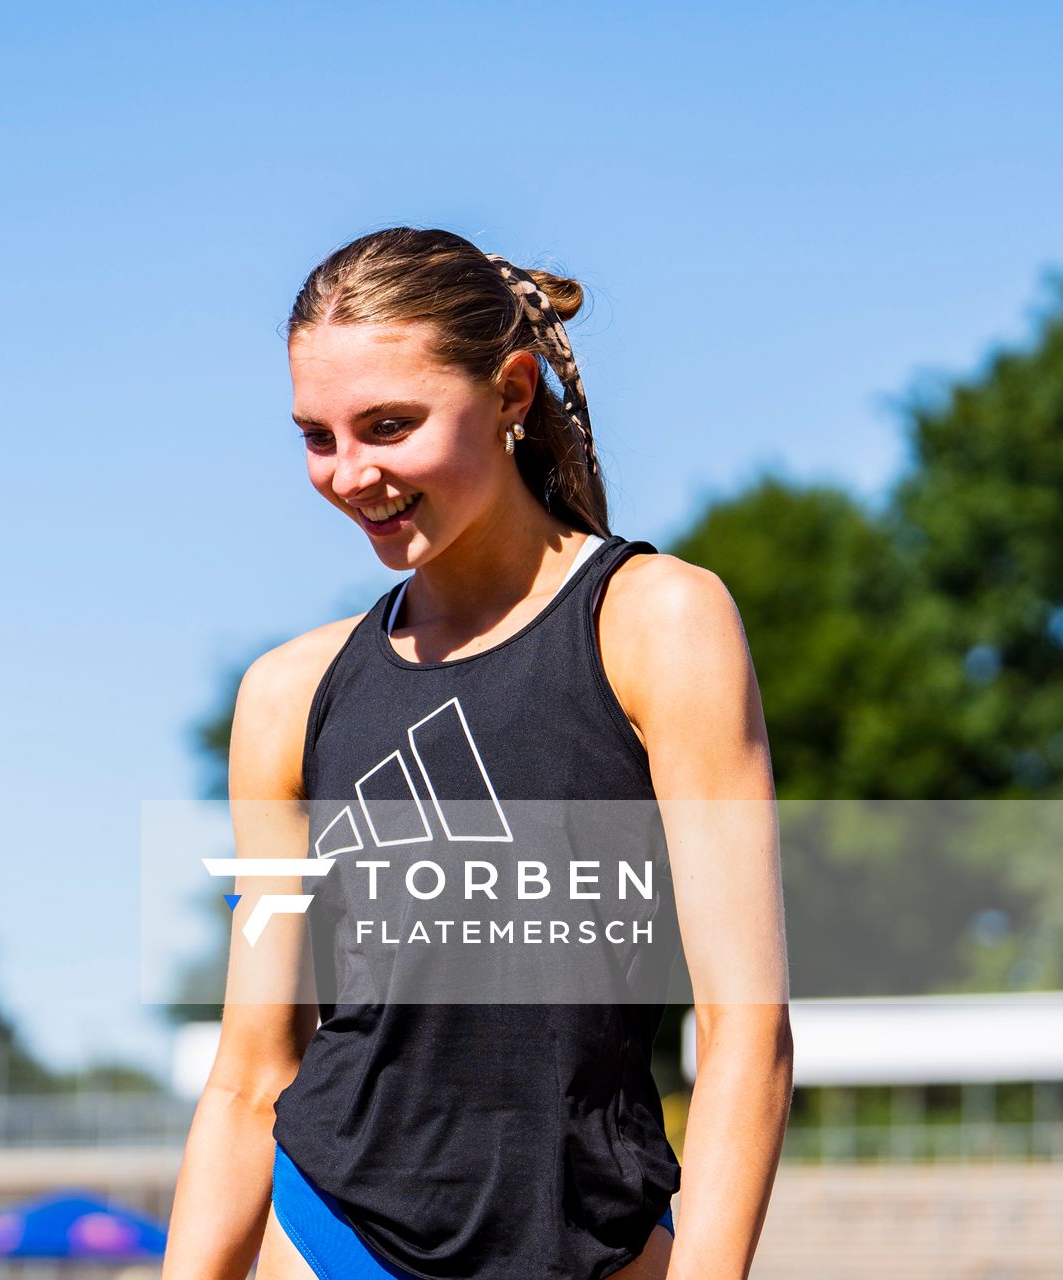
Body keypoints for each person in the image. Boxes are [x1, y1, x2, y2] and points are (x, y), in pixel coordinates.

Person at [161, 227, 792, 1280]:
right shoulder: (288, 698)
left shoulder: (658, 626)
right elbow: (251, 1072)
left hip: (597, 1244)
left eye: (389, 425)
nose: (349, 473)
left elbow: (747, 1035)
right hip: (332, 1241)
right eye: (317, 436)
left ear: (510, 392)